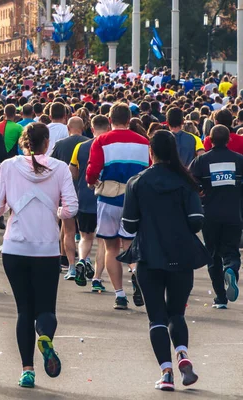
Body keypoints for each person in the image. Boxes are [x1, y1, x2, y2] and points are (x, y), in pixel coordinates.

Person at [0, 122, 78, 388]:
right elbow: (71, 208)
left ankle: (27, 369)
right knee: (46, 306)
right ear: (47, 143)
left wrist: (10, 206)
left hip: (16, 246)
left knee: (23, 309)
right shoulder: (60, 168)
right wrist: (56, 212)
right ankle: (45, 335)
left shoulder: (8, 166)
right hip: (47, 246)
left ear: (24, 142)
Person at [120, 130, 210, 391]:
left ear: (151, 152)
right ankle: (182, 353)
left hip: (149, 254)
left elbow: (129, 223)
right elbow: (196, 221)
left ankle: (166, 372)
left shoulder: (137, 182)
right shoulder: (186, 181)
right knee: (177, 313)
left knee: (156, 316)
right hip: (181, 254)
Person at [86, 103, 150, 310]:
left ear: (110, 120)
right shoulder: (143, 142)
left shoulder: (101, 141)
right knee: (131, 246)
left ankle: (120, 294)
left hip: (109, 198)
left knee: (111, 247)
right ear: (129, 120)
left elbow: (93, 169)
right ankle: (137, 275)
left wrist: (92, 181)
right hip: (135, 199)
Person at [190, 125, 243, 308]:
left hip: (210, 215)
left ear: (210, 140)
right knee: (231, 250)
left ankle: (221, 298)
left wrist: (200, 191)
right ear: (229, 140)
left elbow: (190, 184)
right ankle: (231, 268)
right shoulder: (239, 160)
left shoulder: (201, 161)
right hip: (233, 214)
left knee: (212, 255)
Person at [69, 115, 110, 291]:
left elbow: (72, 170)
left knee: (85, 236)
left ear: (91, 129)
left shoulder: (80, 146)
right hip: (105, 196)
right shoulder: (110, 147)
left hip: (85, 195)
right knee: (102, 241)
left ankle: (81, 261)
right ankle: (96, 278)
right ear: (108, 128)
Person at [51, 116, 89, 279]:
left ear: (68, 128)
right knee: (86, 234)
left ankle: (70, 266)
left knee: (68, 231)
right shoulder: (90, 143)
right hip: (86, 192)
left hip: (66, 192)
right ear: (84, 127)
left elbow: (51, 166)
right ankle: (84, 262)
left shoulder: (60, 145)